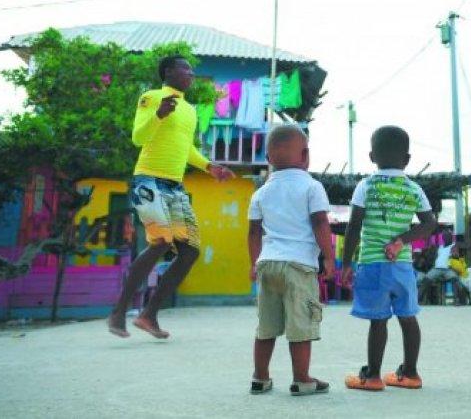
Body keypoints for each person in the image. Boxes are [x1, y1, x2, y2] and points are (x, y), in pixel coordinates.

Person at [108, 55, 234, 339]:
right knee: (161, 241)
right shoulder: (151, 97)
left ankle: (149, 315)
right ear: (168, 72)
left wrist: (209, 166)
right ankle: (118, 312)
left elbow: (186, 148)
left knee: (189, 250)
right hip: (148, 180)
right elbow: (138, 138)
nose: (190, 73)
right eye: (185, 68)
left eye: (191, 69)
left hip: (175, 187)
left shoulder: (189, 110)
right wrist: (158, 115)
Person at [342, 126, 437, 391]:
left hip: (373, 263)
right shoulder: (413, 188)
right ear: (407, 159)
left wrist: (347, 263)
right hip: (403, 266)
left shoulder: (366, 186)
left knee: (378, 319)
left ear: (372, 156)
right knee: (408, 317)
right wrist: (401, 241)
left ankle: (372, 376)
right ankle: (410, 374)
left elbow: (353, 226)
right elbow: (430, 224)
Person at [247, 124, 335, 396]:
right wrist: (329, 257)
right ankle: (302, 379)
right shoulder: (312, 186)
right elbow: (320, 222)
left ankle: (260, 378)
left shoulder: (260, 192)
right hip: (299, 266)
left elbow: (253, 231)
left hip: (268, 264)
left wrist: (253, 263)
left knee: (267, 326)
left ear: (268, 159)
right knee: (301, 325)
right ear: (305, 155)